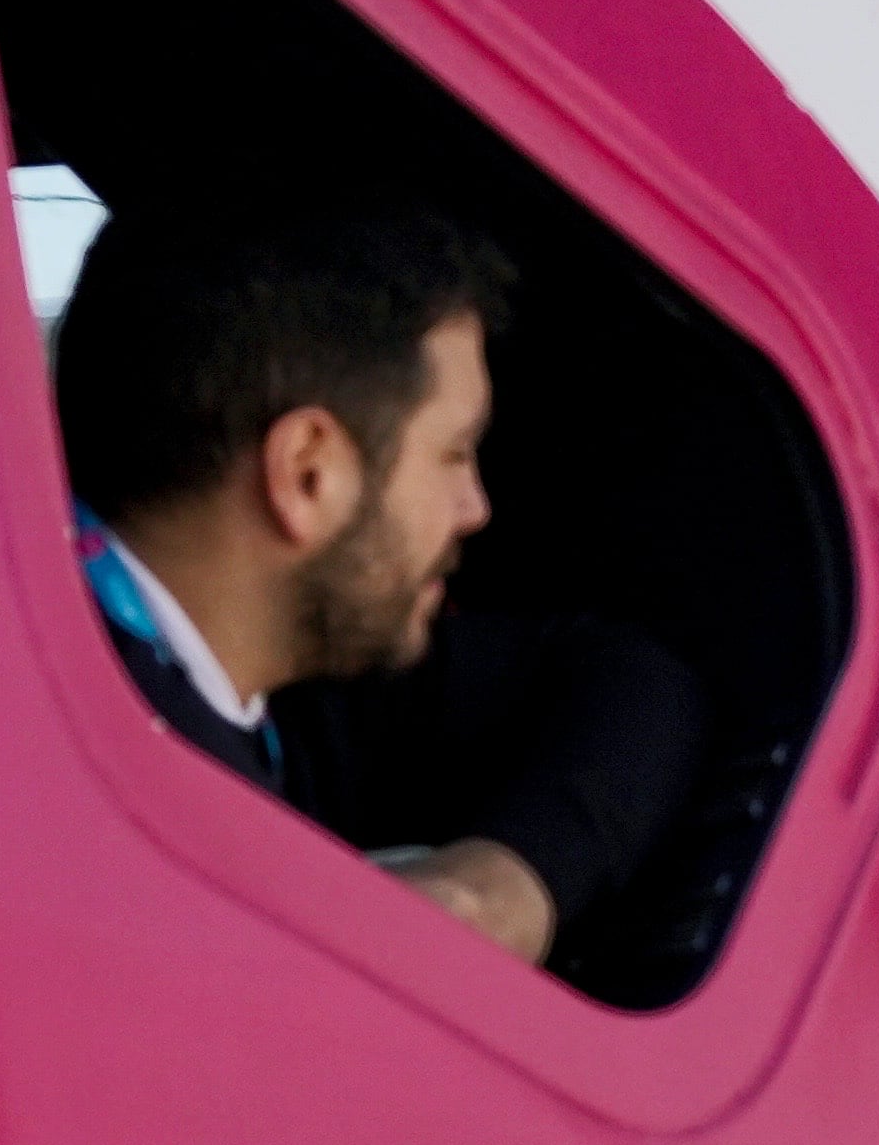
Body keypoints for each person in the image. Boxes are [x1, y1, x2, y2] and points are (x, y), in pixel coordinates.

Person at [55, 199, 703, 970]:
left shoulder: (227, 685)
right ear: (308, 474)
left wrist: (497, 890)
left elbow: (630, 687)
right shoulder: (143, 842)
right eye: (454, 454)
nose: (476, 509)